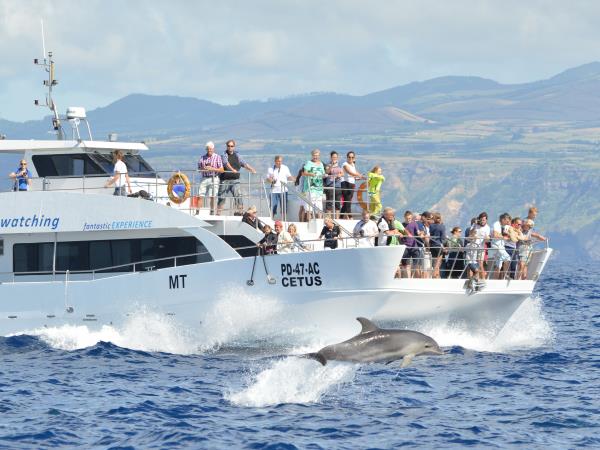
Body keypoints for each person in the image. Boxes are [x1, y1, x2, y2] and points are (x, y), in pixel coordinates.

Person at [217, 140, 256, 215]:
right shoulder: (224, 155)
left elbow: (243, 163)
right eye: (228, 146)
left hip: (235, 180)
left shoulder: (237, 155)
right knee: (222, 196)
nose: (230, 147)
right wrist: (232, 170)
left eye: (231, 146)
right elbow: (226, 163)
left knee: (238, 195)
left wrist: (251, 169)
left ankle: (240, 212)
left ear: (234, 147)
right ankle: (218, 213)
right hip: (225, 180)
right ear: (226, 146)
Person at [197, 141, 224, 214]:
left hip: (214, 178)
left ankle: (212, 212)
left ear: (213, 149)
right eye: (208, 149)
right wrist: (204, 168)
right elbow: (199, 169)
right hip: (204, 178)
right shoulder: (202, 158)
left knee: (212, 196)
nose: (209, 150)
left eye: (211, 149)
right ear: (206, 149)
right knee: (200, 195)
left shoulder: (217, 157)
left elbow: (222, 170)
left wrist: (212, 169)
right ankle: (197, 212)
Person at [302, 149, 326, 220]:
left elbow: (323, 173)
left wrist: (324, 175)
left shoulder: (321, 164)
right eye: (314, 155)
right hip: (310, 187)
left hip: (319, 188)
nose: (316, 157)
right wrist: (311, 174)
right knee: (310, 206)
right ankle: (309, 221)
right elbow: (304, 173)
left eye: (317, 155)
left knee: (319, 205)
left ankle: (319, 221)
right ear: (312, 156)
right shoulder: (308, 163)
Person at [341, 151, 362, 219]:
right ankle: (350, 216)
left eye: (352, 157)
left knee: (348, 201)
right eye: (349, 157)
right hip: (345, 183)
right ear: (347, 157)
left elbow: (355, 173)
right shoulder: (345, 164)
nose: (350, 158)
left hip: (352, 184)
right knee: (347, 200)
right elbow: (349, 172)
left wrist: (360, 177)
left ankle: (341, 216)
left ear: (354, 158)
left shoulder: (353, 164)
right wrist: (359, 175)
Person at [490, 213, 512, 279]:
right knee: (508, 258)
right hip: (497, 246)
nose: (508, 222)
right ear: (503, 219)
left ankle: (495, 280)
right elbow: (495, 234)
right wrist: (503, 237)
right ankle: (505, 276)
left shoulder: (502, 226)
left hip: (500, 247)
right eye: (507, 221)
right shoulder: (496, 224)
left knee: (498, 265)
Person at [324, 151, 344, 218]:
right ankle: (329, 218)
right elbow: (327, 172)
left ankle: (337, 218)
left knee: (337, 203)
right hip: (330, 185)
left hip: (338, 186)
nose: (334, 158)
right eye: (333, 157)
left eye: (336, 157)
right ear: (331, 157)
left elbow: (342, 173)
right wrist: (331, 165)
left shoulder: (339, 165)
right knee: (329, 202)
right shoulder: (328, 164)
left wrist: (340, 175)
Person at [400, 211, 420, 278]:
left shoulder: (414, 224)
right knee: (406, 264)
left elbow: (418, 232)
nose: (408, 220)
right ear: (404, 218)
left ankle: (412, 277)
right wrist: (401, 235)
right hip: (405, 246)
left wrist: (421, 234)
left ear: (411, 218)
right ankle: (408, 278)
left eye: (409, 218)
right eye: (407, 218)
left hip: (414, 246)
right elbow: (399, 232)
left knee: (416, 263)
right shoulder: (402, 225)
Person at [428, 212, 446, 279]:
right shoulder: (442, 226)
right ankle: (435, 275)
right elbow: (443, 238)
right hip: (438, 245)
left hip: (432, 245)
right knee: (438, 263)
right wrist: (443, 244)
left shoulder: (431, 226)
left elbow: (430, 233)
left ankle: (437, 276)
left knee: (435, 262)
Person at [474, 212, 490, 279]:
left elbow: (487, 239)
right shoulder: (475, 225)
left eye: (484, 220)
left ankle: (483, 279)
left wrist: (487, 238)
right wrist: (474, 225)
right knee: (474, 265)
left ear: (486, 220)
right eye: (481, 220)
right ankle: (476, 278)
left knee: (480, 264)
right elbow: (471, 234)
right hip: (474, 247)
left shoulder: (487, 228)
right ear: (479, 219)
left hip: (481, 247)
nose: (482, 221)